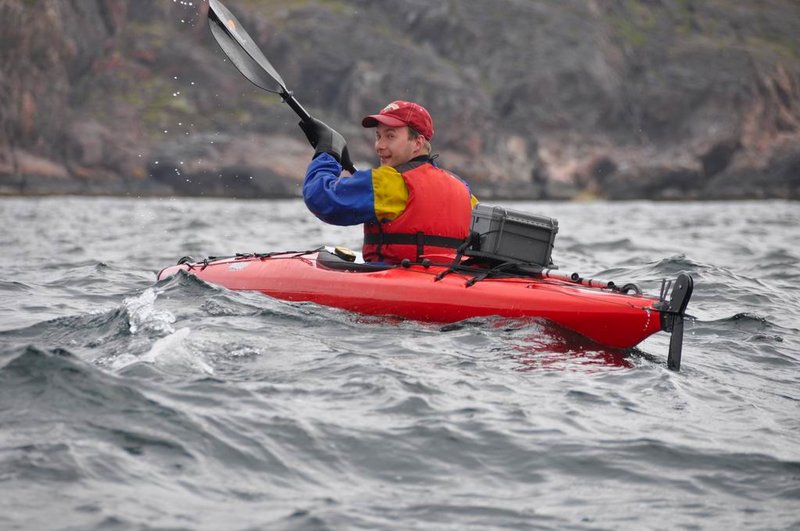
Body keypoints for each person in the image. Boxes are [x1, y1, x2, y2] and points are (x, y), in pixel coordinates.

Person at [300, 100, 479, 264]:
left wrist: (328, 151)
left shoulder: (390, 181)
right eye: (378, 136)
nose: (380, 145)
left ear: (417, 143)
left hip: (394, 283)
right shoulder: (463, 189)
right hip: (448, 282)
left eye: (390, 136)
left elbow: (321, 197)